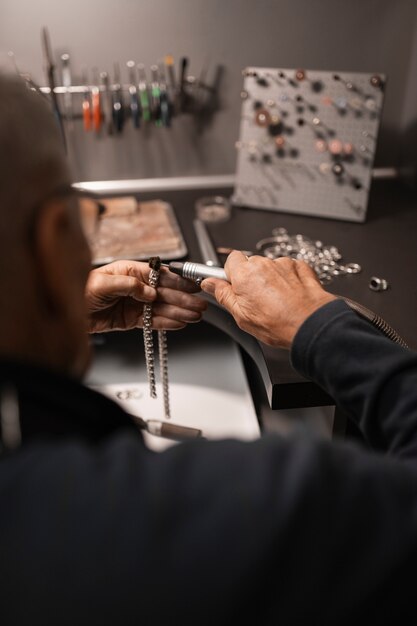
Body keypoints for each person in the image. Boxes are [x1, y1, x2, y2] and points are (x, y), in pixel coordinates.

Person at [0, 71, 416, 626]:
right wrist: (319, 326)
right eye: (86, 220)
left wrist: (55, 311)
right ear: (55, 243)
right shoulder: (223, 514)